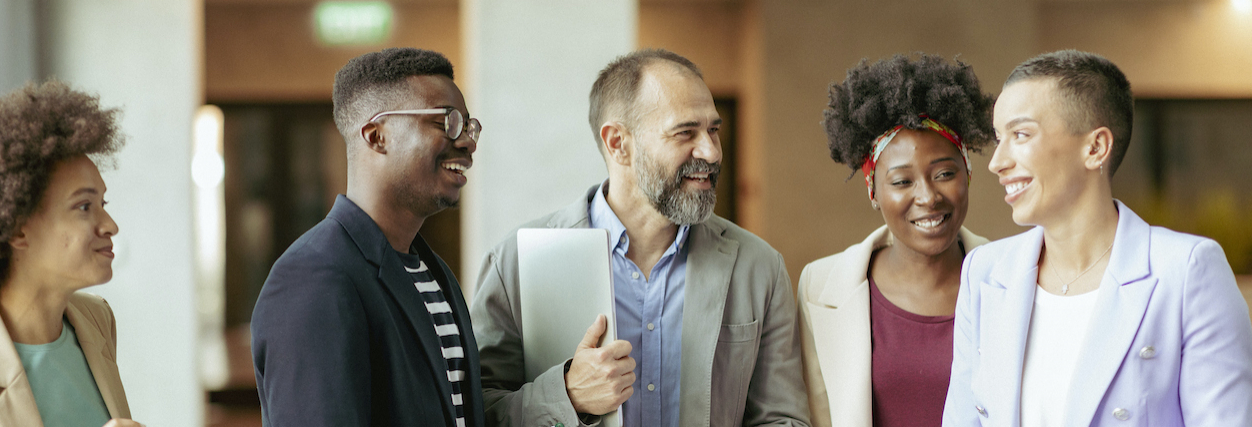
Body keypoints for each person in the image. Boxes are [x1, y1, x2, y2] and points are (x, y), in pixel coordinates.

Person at [471, 48, 810, 427]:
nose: (712, 152)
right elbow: (476, 411)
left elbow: (783, 418)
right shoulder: (514, 262)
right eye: (685, 132)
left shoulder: (759, 267)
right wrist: (567, 396)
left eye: (713, 130)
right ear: (618, 143)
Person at [943, 50, 1252, 426]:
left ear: (1095, 147)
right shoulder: (986, 272)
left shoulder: (1186, 271)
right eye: (998, 137)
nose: (997, 162)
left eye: (1020, 134)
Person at [250, 47, 484, 427]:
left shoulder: (433, 271)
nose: (468, 142)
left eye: (469, 126)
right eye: (448, 122)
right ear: (377, 136)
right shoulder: (313, 278)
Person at [798, 53, 993, 427]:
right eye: (902, 181)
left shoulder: (1015, 279)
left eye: (945, 173)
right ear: (873, 191)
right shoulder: (821, 286)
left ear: (967, 174)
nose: (928, 197)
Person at [0, 82, 142, 427]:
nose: (110, 225)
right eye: (83, 206)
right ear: (17, 228)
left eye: (102, 204)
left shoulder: (97, 320)